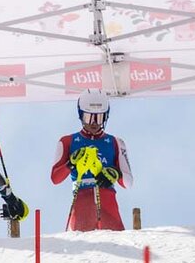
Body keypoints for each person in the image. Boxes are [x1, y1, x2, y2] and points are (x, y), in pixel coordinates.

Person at [50, 90, 133, 231]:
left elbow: (128, 182)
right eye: (89, 117)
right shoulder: (67, 141)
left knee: (115, 242)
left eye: (99, 118)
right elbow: (55, 179)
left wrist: (115, 174)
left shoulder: (116, 142)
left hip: (108, 200)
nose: (94, 123)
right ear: (81, 115)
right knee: (81, 245)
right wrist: (71, 163)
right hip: (81, 198)